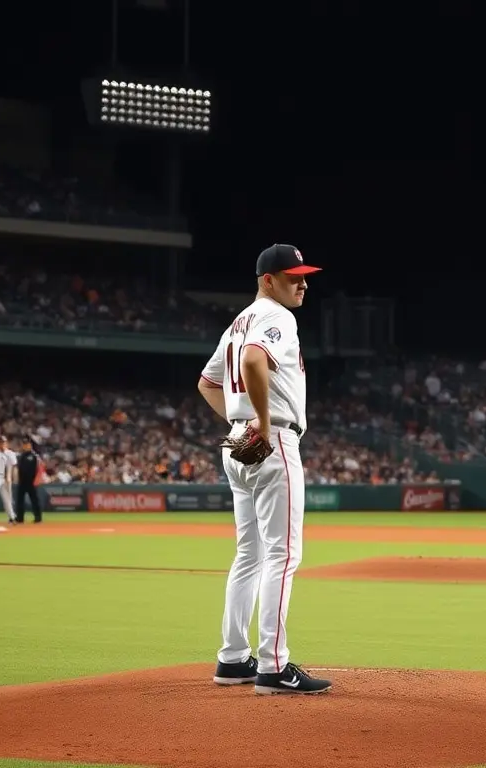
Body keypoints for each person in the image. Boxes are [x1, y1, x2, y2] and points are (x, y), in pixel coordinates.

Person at [196, 243, 331, 696]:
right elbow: (255, 359)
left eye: (304, 276)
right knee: (282, 555)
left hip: (240, 442)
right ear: (268, 281)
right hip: (273, 441)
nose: (303, 283)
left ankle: (233, 659)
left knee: (249, 555)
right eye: (294, 277)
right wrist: (264, 422)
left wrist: (242, 424)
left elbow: (207, 383)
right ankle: (273, 666)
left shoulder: (238, 322)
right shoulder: (277, 316)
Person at [13, 435, 43, 524]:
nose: (26, 446)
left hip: (30, 482)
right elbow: (19, 469)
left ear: (30, 445)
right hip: (22, 481)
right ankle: (20, 518)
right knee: (20, 500)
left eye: (27, 444)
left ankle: (38, 517)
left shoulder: (33, 456)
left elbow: (36, 470)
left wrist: (35, 480)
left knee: (34, 500)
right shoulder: (21, 456)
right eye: (24, 444)